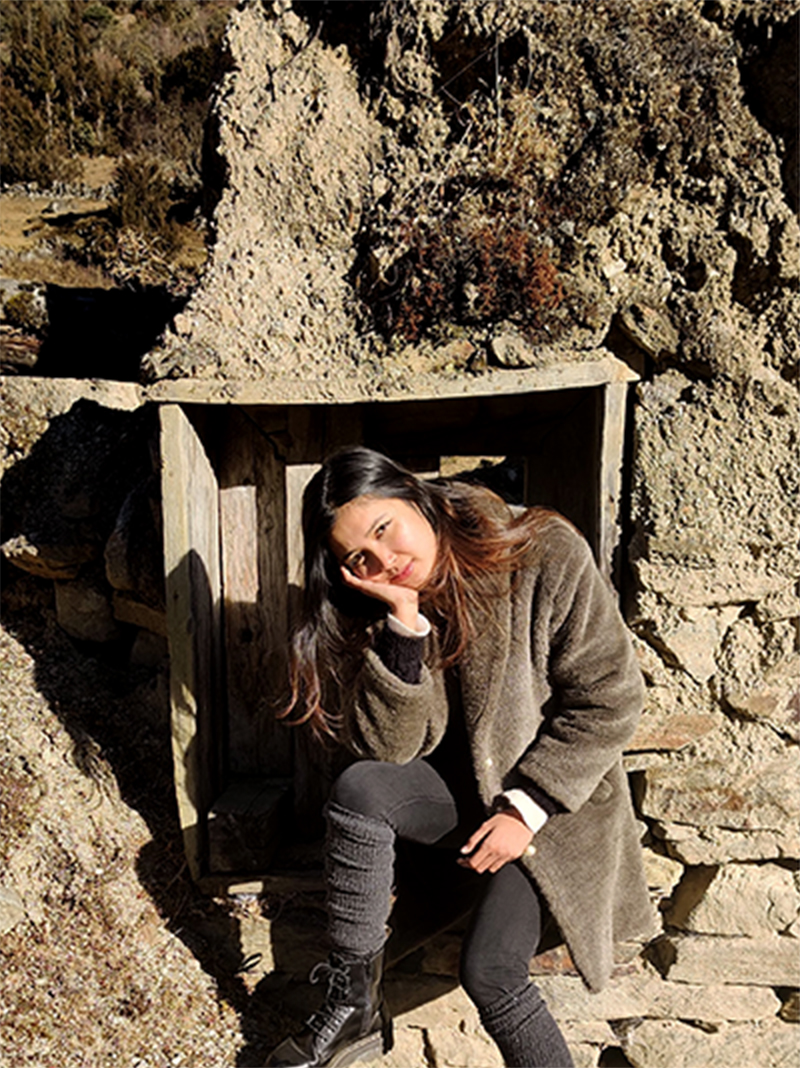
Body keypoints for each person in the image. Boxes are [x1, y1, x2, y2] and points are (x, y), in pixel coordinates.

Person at [266, 446, 654, 1068]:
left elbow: (611, 698)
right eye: (358, 557)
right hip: (463, 802)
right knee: (361, 787)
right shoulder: (384, 603)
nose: (384, 560)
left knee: (491, 971)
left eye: (384, 529)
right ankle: (356, 1008)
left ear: (414, 496)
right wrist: (404, 628)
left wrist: (527, 807)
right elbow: (389, 752)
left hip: (555, 813)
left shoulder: (542, 550)